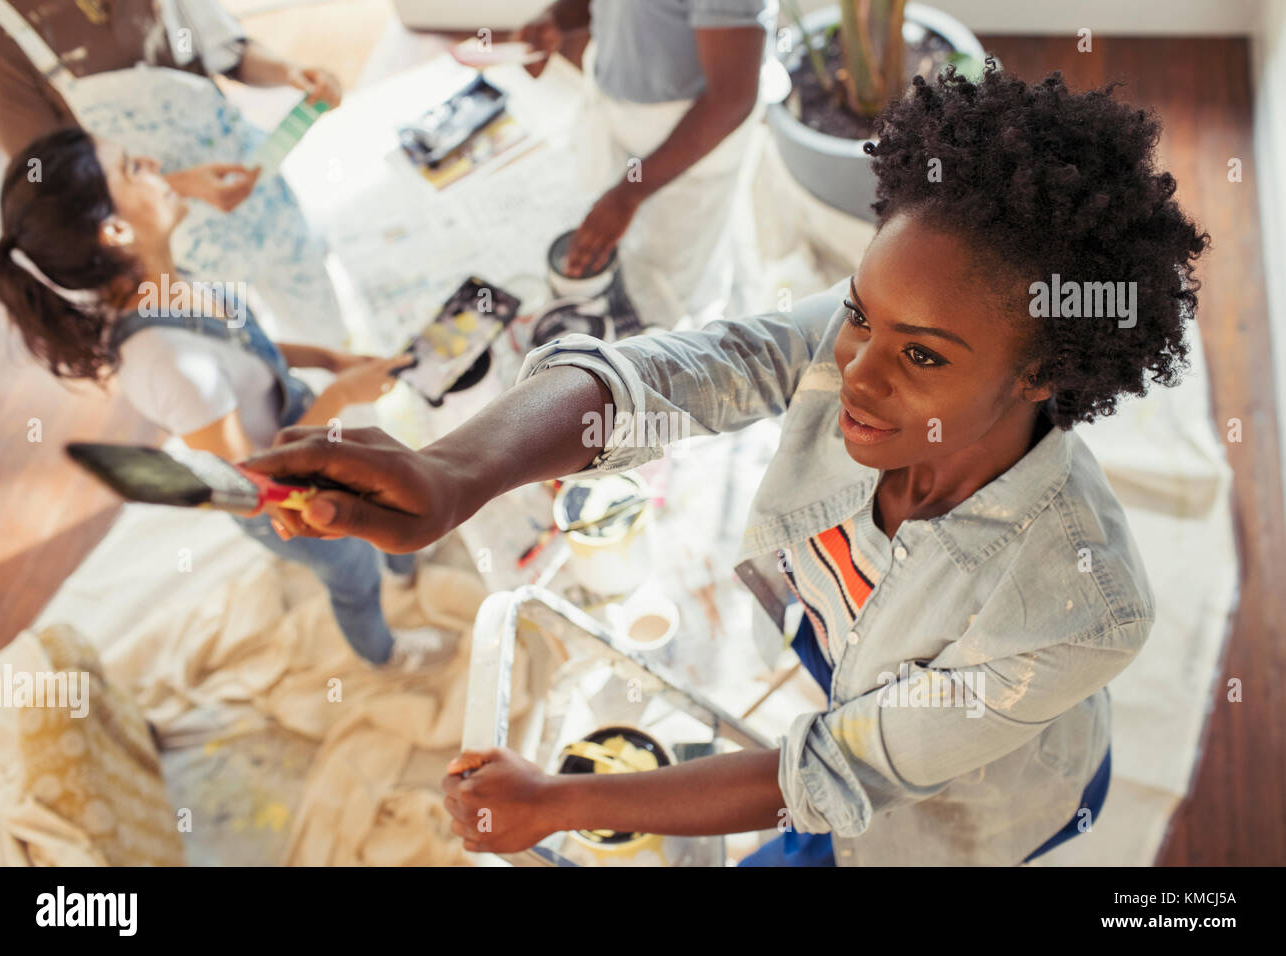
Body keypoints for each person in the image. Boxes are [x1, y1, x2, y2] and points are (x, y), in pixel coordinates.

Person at [243, 65, 1210, 865]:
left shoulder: (1079, 609)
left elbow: (835, 772)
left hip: (959, 810)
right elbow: (697, 368)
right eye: (860, 316)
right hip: (845, 676)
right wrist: (456, 473)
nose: (853, 376)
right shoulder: (866, 356)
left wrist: (557, 806)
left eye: (921, 356)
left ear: (1042, 371)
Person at [0, 127, 451, 671]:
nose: (156, 159)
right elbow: (256, 478)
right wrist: (344, 395)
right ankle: (385, 656)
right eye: (133, 168)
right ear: (114, 231)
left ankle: (404, 564)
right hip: (289, 495)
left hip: (305, 424)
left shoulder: (165, 282)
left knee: (384, 509)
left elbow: (243, 344)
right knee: (352, 572)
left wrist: (327, 361)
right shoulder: (169, 361)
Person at [0, 0, 346, 341]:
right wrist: (176, 186)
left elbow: (227, 50)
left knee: (323, 323)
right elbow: (45, 187)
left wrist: (289, 73)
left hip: (254, 185)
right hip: (167, 245)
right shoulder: (1, 29)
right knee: (245, 345)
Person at [517, 0, 773, 328]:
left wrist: (627, 195)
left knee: (678, 278)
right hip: (621, 109)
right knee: (637, 243)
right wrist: (557, 17)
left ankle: (682, 334)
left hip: (688, 134)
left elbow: (731, 98)